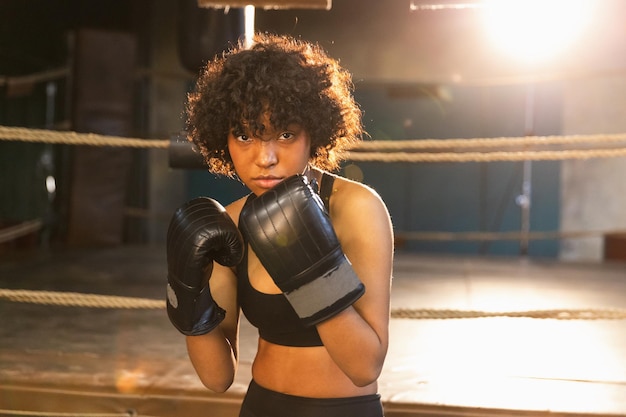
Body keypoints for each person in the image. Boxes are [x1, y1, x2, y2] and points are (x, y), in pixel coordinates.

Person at [165, 32, 394, 417]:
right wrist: (187, 291)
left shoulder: (357, 208)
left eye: (285, 134)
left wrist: (309, 267)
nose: (265, 157)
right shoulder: (231, 223)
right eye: (244, 135)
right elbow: (217, 376)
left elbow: (364, 366)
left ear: (313, 134)